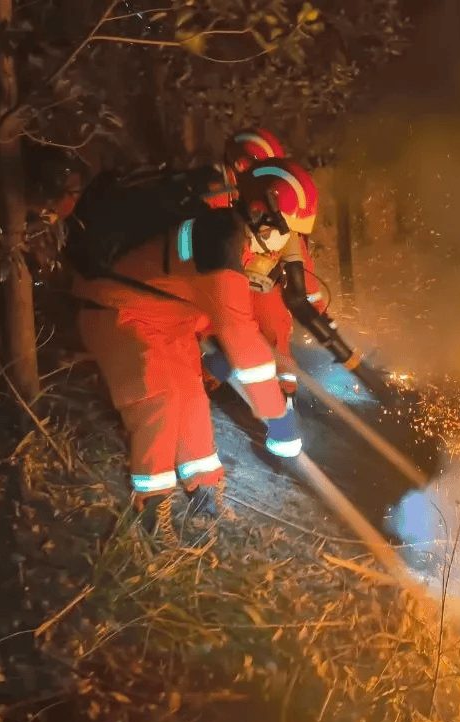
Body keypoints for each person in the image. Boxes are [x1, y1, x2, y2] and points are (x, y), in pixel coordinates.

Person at [69, 159, 310, 546]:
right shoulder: (217, 242)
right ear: (263, 216)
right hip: (120, 314)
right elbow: (239, 332)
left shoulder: (231, 240)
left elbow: (224, 312)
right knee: (159, 401)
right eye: (288, 234)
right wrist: (277, 417)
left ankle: (204, 492)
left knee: (192, 401)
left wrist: (221, 352)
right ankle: (151, 511)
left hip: (168, 323)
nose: (287, 247)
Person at [218, 129, 327, 395]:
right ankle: (213, 374)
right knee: (225, 328)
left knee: (276, 326)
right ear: (242, 165)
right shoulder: (219, 197)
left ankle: (284, 392)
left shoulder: (270, 207)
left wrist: (321, 313)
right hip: (221, 282)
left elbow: (298, 258)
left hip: (258, 283)